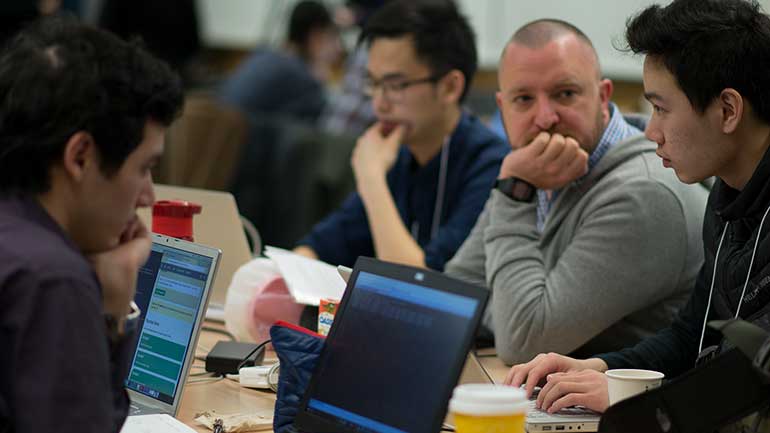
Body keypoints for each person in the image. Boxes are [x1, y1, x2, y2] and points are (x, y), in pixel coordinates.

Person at [504, 0, 770, 416]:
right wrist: (601, 369)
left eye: (661, 108)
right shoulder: (728, 198)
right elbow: (689, 337)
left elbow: (757, 378)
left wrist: (630, 398)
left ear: (728, 110)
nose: (651, 132)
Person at [444, 19, 709, 365]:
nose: (544, 117)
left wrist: (515, 193)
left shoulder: (645, 193)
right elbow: (458, 289)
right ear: (502, 107)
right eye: (523, 99)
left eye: (565, 93)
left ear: (602, 97)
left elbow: (521, 340)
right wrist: (521, 309)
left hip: (634, 411)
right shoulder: (537, 163)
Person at [0, 17, 183, 432]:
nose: (148, 197)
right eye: (145, 167)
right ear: (80, 155)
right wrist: (113, 311)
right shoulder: (51, 279)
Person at [294, 0, 509, 271]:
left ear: (450, 87)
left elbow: (421, 285)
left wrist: (372, 180)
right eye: (373, 83)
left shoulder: (492, 168)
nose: (380, 104)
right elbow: (320, 245)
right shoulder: (400, 155)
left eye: (396, 85)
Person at [219, 0, 341, 123]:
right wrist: (318, 82)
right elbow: (320, 122)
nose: (338, 48)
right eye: (332, 38)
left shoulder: (264, 56)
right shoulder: (299, 77)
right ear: (315, 37)